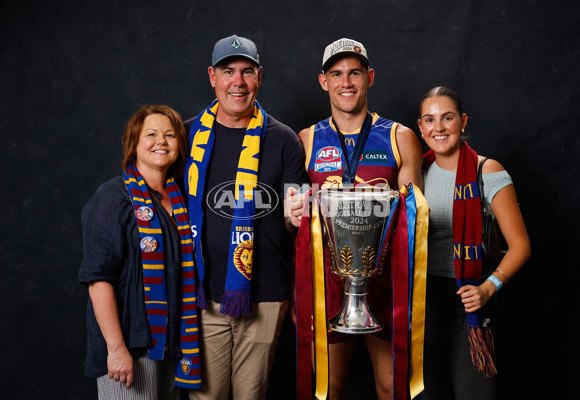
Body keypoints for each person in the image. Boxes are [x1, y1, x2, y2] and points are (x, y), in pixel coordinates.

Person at [289, 38, 424, 400]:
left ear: (370, 77)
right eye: (336, 74)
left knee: (391, 386)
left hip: (385, 283)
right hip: (326, 283)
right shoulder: (304, 140)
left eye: (354, 73)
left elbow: (415, 225)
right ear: (323, 81)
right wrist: (292, 215)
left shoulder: (400, 137)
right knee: (328, 388)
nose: (345, 82)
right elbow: (292, 222)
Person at [183, 34, 306, 400]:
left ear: (259, 77)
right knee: (206, 394)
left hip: (265, 292)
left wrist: (295, 216)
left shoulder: (284, 140)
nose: (238, 82)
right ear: (212, 76)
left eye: (247, 71)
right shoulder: (186, 134)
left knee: (251, 394)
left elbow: (289, 220)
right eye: (228, 71)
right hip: (202, 293)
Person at [80, 105, 202, 399]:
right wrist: (116, 348)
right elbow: (99, 280)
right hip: (131, 347)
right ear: (134, 143)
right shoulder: (112, 198)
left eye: (170, 135)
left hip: (174, 345)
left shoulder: (182, 199)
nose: (161, 141)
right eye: (151, 134)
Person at [417, 86, 531, 400]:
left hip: (468, 301)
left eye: (447, 118)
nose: (438, 127)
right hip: (422, 302)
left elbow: (520, 245)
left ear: (463, 122)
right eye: (429, 120)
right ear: (421, 127)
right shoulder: (415, 173)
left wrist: (487, 288)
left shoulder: (487, 171)